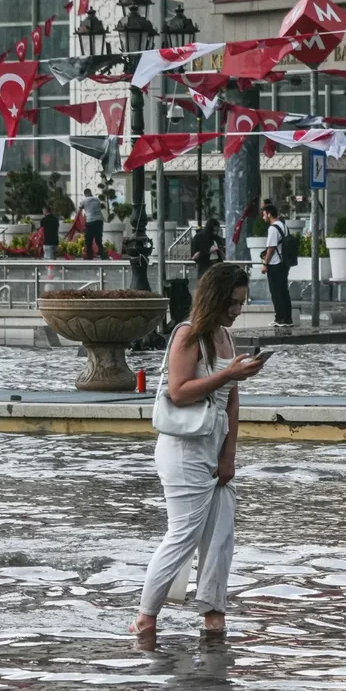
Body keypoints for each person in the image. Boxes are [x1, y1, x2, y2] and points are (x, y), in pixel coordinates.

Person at [133, 263, 265, 643]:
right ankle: (146, 617)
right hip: (183, 448)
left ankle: (213, 614)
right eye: (233, 302)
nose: (238, 310)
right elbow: (178, 391)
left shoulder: (225, 336)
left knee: (221, 534)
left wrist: (229, 456)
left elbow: (232, 401)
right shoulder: (189, 335)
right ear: (215, 298)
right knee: (184, 533)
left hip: (215, 443)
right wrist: (227, 374)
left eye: (242, 302)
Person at [261, 203, 294, 327]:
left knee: (276, 292)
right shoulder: (284, 226)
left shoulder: (273, 228)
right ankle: (287, 318)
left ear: (269, 214)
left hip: (275, 264)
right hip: (284, 263)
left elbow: (271, 248)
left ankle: (280, 318)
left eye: (264, 215)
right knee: (284, 292)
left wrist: (265, 263)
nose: (263, 218)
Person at [79, 188, 105, 260]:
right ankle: (103, 255)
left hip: (90, 221)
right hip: (99, 220)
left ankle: (89, 256)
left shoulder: (83, 201)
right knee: (98, 239)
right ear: (90, 192)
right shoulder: (97, 200)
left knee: (88, 240)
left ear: (85, 194)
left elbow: (79, 212)